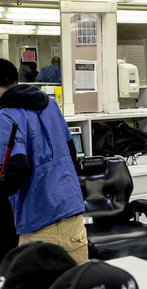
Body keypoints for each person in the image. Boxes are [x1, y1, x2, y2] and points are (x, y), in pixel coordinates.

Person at [0, 58, 87, 264]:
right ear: (15, 80)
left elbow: (16, 170)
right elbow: (71, 152)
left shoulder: (4, 115)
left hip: (38, 225)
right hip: (72, 216)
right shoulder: (51, 105)